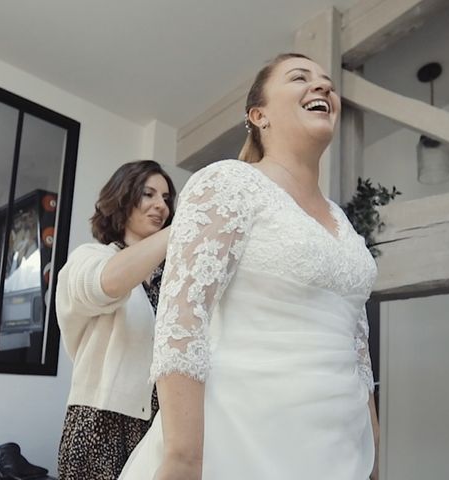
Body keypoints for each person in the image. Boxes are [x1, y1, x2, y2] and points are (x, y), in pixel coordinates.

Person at [119, 53, 380, 480]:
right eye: (300, 78)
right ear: (259, 115)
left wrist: (372, 448)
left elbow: (358, 349)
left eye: (327, 83)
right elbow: (182, 322)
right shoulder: (229, 183)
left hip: (340, 450)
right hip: (242, 442)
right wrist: (184, 457)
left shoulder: (344, 224)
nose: (323, 87)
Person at [55, 160, 176, 480]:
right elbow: (105, 285)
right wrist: (181, 230)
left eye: (166, 199)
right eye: (148, 194)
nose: (160, 206)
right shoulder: (91, 258)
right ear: (123, 198)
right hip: (99, 425)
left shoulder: (173, 280)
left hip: (160, 427)